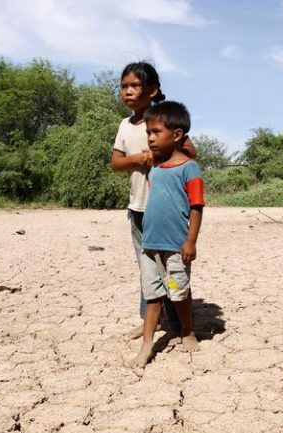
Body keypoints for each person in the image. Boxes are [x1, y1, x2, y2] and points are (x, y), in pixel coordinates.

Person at [110, 62, 196, 339]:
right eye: (124, 86)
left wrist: (159, 156)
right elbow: (116, 163)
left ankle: (183, 325)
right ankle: (151, 320)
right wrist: (137, 158)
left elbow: (190, 153)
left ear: (153, 90)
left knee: (173, 266)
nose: (128, 91)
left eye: (135, 85)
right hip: (138, 207)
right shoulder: (125, 125)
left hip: (166, 210)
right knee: (146, 266)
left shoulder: (162, 121)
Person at [127, 101, 203, 368]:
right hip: (149, 244)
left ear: (177, 134)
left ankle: (187, 331)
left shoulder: (189, 168)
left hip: (175, 246)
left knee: (179, 293)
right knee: (153, 296)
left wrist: (190, 241)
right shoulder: (155, 168)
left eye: (157, 132)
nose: (150, 137)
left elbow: (196, 207)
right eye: (148, 132)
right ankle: (147, 345)